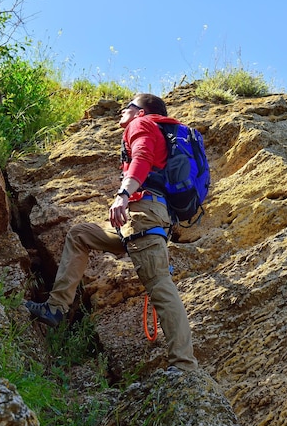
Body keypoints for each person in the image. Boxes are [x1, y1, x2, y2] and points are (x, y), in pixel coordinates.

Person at [25, 93, 198, 373]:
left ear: (140, 112)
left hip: (143, 215)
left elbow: (141, 157)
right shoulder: (159, 130)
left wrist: (123, 195)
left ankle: (184, 364)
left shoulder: (142, 125)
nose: (122, 110)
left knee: (159, 286)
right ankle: (56, 308)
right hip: (143, 219)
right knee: (80, 234)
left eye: (128, 106)